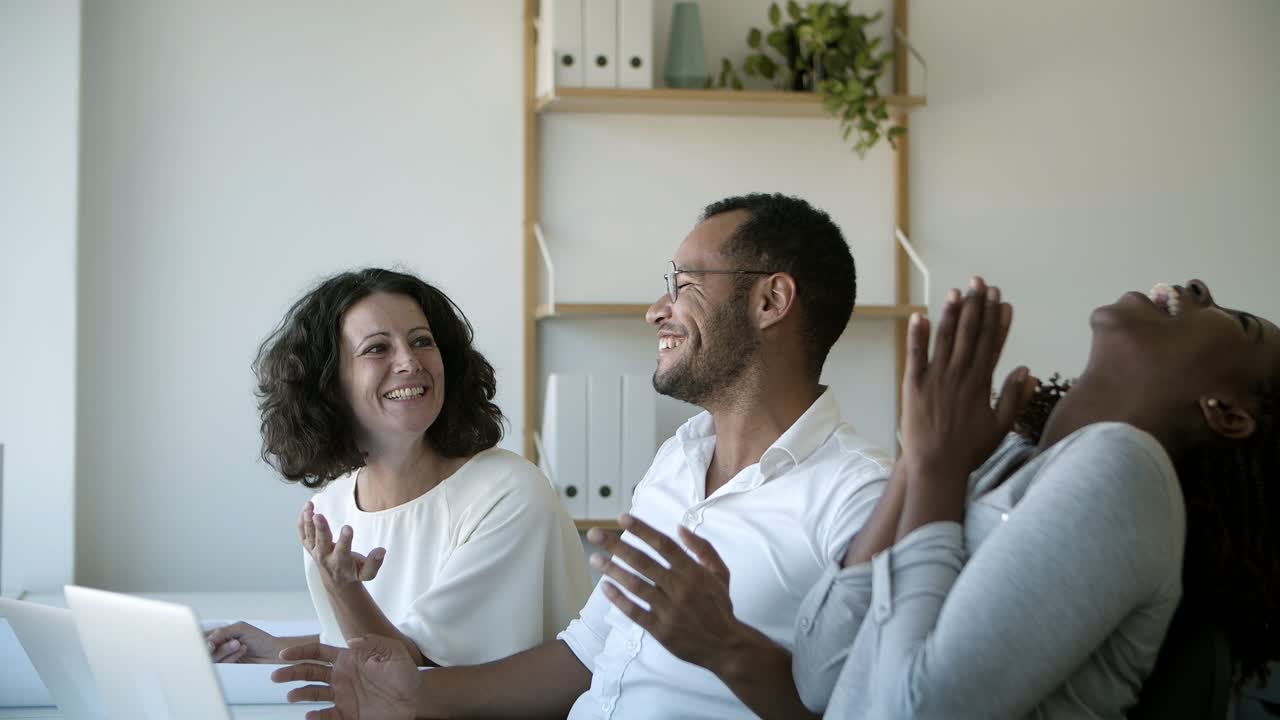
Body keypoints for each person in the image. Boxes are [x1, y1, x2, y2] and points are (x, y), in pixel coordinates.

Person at [271, 193, 895, 718]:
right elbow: (586, 653)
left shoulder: (860, 497)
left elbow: (876, 707)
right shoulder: (676, 463)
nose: (658, 309)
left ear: (770, 301)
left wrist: (726, 647)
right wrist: (417, 693)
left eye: (683, 285)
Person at [603, 276, 1280, 718]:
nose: (1197, 287)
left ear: (1226, 412)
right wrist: (923, 469)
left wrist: (930, 470)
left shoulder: (1126, 470)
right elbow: (820, 677)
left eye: (1236, 321)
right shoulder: (1013, 462)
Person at [206, 268, 591, 668]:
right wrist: (274, 649)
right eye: (377, 348)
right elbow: (366, 648)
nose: (409, 362)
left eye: (422, 341)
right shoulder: (330, 509)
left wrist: (344, 589)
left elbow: (417, 676)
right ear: (330, 383)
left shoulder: (508, 493)